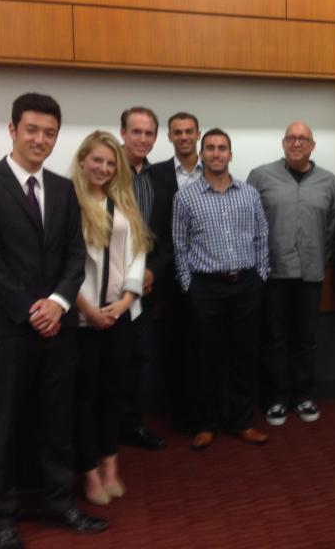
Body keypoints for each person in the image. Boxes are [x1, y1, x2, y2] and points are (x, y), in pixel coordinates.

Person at [0, 93, 107, 549]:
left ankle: (58, 502)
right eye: (32, 130)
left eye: (49, 133)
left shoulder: (63, 190)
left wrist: (60, 303)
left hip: (57, 331)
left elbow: (74, 256)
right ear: (12, 130)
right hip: (7, 331)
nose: (40, 139)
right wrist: (33, 309)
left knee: (55, 423)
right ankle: (0, 519)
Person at [172, 127, 270, 450]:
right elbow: (179, 246)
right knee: (206, 357)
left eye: (222, 148)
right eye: (210, 148)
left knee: (244, 356)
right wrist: (189, 286)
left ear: (231, 154)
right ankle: (207, 423)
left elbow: (261, 238)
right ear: (201, 155)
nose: (216, 153)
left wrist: (260, 277)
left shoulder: (249, 193)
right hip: (206, 288)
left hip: (246, 285)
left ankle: (242, 422)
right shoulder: (185, 197)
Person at [70, 131, 152, 506]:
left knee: (113, 393)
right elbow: (63, 264)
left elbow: (138, 253)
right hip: (83, 320)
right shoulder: (69, 202)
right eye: (97, 160)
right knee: (84, 397)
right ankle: (88, 472)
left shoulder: (124, 202)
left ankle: (111, 466)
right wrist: (88, 309)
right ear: (83, 160)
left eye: (110, 162)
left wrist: (124, 302)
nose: (103, 168)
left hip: (121, 315)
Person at [247, 121, 335, 426]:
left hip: (311, 275)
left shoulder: (328, 181)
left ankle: (303, 396)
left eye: (303, 139)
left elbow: (331, 227)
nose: (296, 143)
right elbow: (249, 223)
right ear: (283, 143)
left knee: (306, 339)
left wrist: (321, 259)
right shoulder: (260, 177)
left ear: (313, 145)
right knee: (274, 338)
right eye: (291, 138)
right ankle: (275, 400)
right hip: (272, 274)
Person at [118, 106, 172, 450]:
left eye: (149, 133)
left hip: (147, 288)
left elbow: (167, 238)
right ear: (122, 133)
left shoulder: (163, 179)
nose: (142, 138)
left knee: (141, 359)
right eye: (136, 131)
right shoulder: (105, 171)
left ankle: (134, 424)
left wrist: (152, 271)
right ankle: (105, 430)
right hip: (106, 289)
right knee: (108, 362)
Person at [151, 111, 203, 435]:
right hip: (167, 275)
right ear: (168, 138)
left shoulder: (214, 169)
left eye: (189, 131)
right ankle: (181, 415)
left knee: (208, 345)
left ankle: (208, 410)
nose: (183, 137)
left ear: (198, 134)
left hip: (208, 273)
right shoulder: (154, 174)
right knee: (174, 345)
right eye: (177, 132)